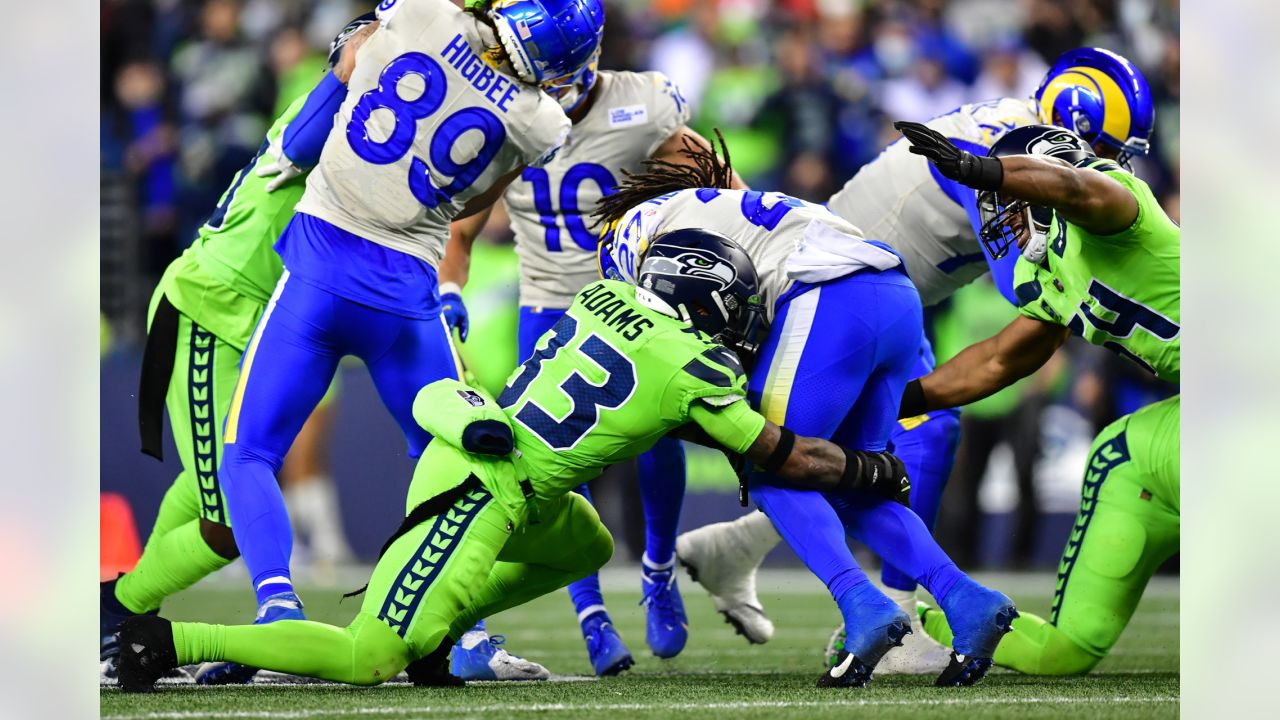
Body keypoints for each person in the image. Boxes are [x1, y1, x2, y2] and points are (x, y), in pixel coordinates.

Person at [118, 230, 922, 691]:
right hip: (480, 490)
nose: (737, 321)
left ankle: (445, 628)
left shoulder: (601, 297)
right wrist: (867, 470)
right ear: (701, 299)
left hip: (514, 473)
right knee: (370, 655)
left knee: (586, 545)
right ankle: (172, 641)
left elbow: (644, 405)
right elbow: (782, 456)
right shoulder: (694, 366)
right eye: (731, 305)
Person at [672, 46, 1157, 674]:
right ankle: (889, 612)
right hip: (835, 295)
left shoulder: (1013, 137)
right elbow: (1036, 291)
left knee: (876, 447)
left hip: (871, 296)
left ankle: (735, 549)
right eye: (1110, 153)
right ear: (1076, 127)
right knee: (884, 446)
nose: (1113, 170)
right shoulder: (1008, 150)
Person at [203, 0, 601, 680]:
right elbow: (475, 202)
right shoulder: (542, 121)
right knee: (456, 469)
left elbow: (352, 53)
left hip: (320, 268)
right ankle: (464, 636)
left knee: (247, 452)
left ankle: (279, 615)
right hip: (406, 295)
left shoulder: (423, 13)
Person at [595, 140, 1016, 688]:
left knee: (775, 465)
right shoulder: (715, 205)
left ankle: (863, 606)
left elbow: (679, 333)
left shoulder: (630, 240)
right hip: (896, 297)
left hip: (827, 301)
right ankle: (968, 600)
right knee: (854, 482)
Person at [443, 59, 748, 675]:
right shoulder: (509, 115)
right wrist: (449, 288)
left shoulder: (644, 104)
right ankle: (591, 613)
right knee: (554, 462)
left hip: (634, 302)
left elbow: (729, 196)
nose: (550, 92)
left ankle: (658, 569)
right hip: (549, 308)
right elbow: (461, 233)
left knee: (658, 439)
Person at [99, 13, 379, 679]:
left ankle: (127, 611)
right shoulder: (321, 110)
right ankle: (118, 610)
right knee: (226, 514)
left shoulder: (357, 130)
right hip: (210, 307)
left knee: (211, 494)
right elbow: (318, 122)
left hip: (242, 317)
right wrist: (362, 55)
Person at [891, 120, 1178, 675]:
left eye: (1008, 198)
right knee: (1064, 649)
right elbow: (998, 360)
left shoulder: (1113, 207)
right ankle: (922, 627)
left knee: (1126, 449)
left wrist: (983, 169)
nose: (1001, 216)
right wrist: (890, 402)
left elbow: (1076, 189)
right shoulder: (1050, 274)